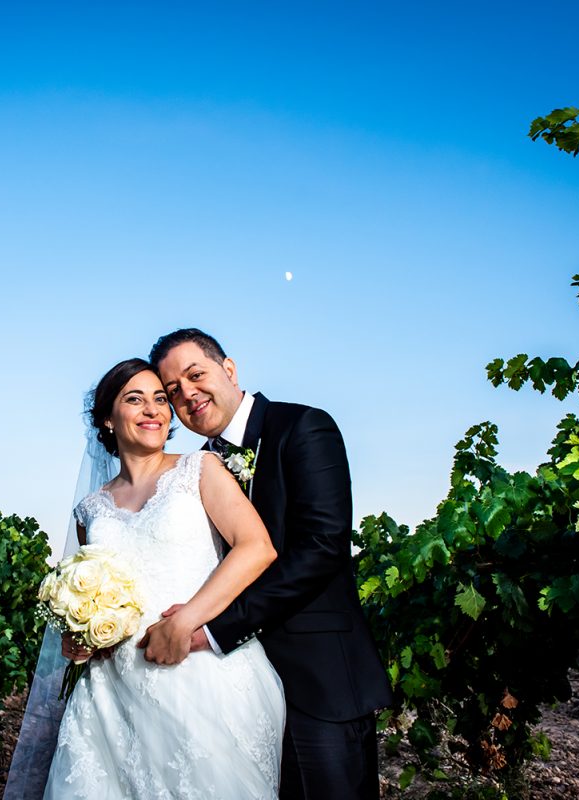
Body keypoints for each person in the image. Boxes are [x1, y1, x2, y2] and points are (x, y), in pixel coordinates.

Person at [141, 329, 393, 800]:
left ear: (229, 370)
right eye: (173, 391)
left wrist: (212, 630)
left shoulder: (303, 428)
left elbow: (321, 548)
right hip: (229, 692)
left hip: (315, 684)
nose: (187, 394)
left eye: (196, 375)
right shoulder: (194, 469)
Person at [41, 358, 286, 799]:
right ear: (107, 419)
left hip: (200, 676)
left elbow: (256, 548)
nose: (153, 409)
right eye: (134, 399)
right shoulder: (90, 510)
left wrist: (186, 620)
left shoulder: (200, 470)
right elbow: (88, 586)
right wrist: (77, 637)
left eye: (160, 399)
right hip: (111, 694)